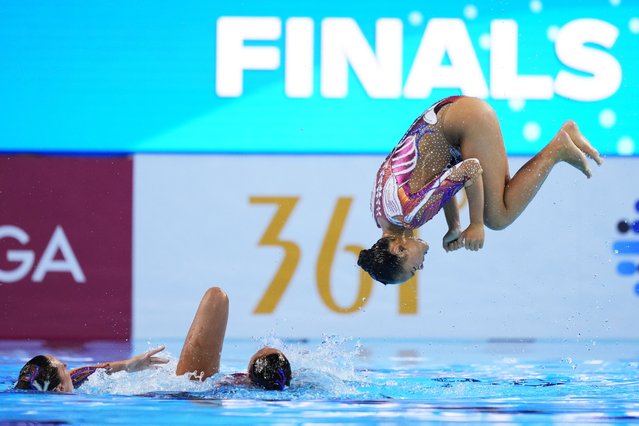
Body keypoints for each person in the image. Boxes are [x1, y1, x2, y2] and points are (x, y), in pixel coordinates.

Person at [358, 96, 603, 285]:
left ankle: (557, 147)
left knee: (496, 217)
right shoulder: (384, 213)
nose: (420, 268)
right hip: (453, 113)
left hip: (468, 123)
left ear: (399, 248)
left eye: (413, 269)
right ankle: (560, 144)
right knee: (495, 205)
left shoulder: (408, 215)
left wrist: (476, 224)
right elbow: (439, 180)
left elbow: (470, 168)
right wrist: (454, 227)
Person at [14, 287, 292, 392]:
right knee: (216, 298)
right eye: (64, 369)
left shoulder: (63, 387)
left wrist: (131, 364)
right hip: (183, 392)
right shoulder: (70, 402)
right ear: (59, 388)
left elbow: (94, 370)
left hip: (177, 394)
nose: (70, 369)